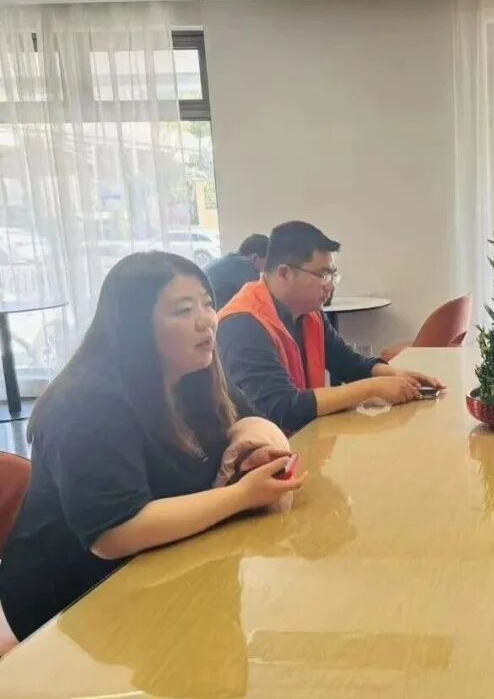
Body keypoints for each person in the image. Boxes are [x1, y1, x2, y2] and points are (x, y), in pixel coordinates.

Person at [0, 252, 306, 646]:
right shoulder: (84, 404)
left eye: (207, 304)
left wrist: (254, 448)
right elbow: (114, 534)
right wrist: (241, 496)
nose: (206, 321)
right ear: (134, 325)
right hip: (74, 602)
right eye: (183, 310)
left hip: (167, 562)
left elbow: (247, 419)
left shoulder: (194, 373)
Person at [217, 221, 444, 434]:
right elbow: (282, 408)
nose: (330, 286)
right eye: (322, 274)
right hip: (263, 451)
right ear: (284, 273)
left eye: (332, 275)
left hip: (304, 436)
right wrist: (372, 388)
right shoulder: (242, 323)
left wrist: (397, 375)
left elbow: (347, 362)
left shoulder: (310, 313)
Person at [205, 233, 270, 308]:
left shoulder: (227, 261)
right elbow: (262, 301)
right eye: (268, 261)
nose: (269, 265)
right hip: (216, 311)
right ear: (254, 258)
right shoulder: (247, 269)